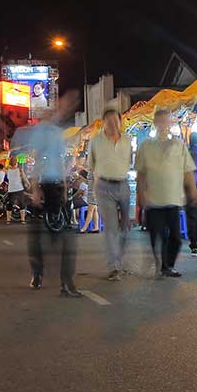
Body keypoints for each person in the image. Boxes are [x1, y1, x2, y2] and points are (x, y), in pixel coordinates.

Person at [19, 90, 82, 297]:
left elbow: (60, 161)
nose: (67, 109)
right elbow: (37, 158)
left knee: (66, 236)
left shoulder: (58, 133)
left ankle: (66, 283)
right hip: (43, 185)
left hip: (56, 186)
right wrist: (35, 188)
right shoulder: (42, 130)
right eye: (65, 104)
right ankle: (37, 273)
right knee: (36, 235)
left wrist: (64, 186)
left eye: (71, 105)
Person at [134, 109, 197, 279]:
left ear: (170, 124)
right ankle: (162, 266)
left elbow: (187, 170)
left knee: (176, 237)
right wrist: (140, 194)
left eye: (166, 121)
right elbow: (141, 174)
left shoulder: (179, 145)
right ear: (155, 123)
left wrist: (193, 190)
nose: (163, 125)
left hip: (173, 198)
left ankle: (167, 264)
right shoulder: (146, 146)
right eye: (160, 121)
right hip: (153, 199)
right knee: (157, 235)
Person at [85, 103, 132, 279]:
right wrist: (96, 187)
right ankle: (114, 266)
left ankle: (119, 258)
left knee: (125, 226)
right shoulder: (96, 141)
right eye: (109, 121)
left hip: (123, 185)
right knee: (111, 227)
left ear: (120, 122)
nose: (112, 124)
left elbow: (129, 161)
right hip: (104, 187)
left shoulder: (127, 140)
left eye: (115, 121)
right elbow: (92, 166)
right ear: (103, 122)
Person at [4, 156, 28, 224]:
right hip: (19, 189)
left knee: (10, 204)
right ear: (16, 163)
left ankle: (8, 220)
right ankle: (22, 220)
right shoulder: (19, 170)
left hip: (11, 189)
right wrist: (28, 184)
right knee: (21, 204)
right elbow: (24, 178)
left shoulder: (7, 170)